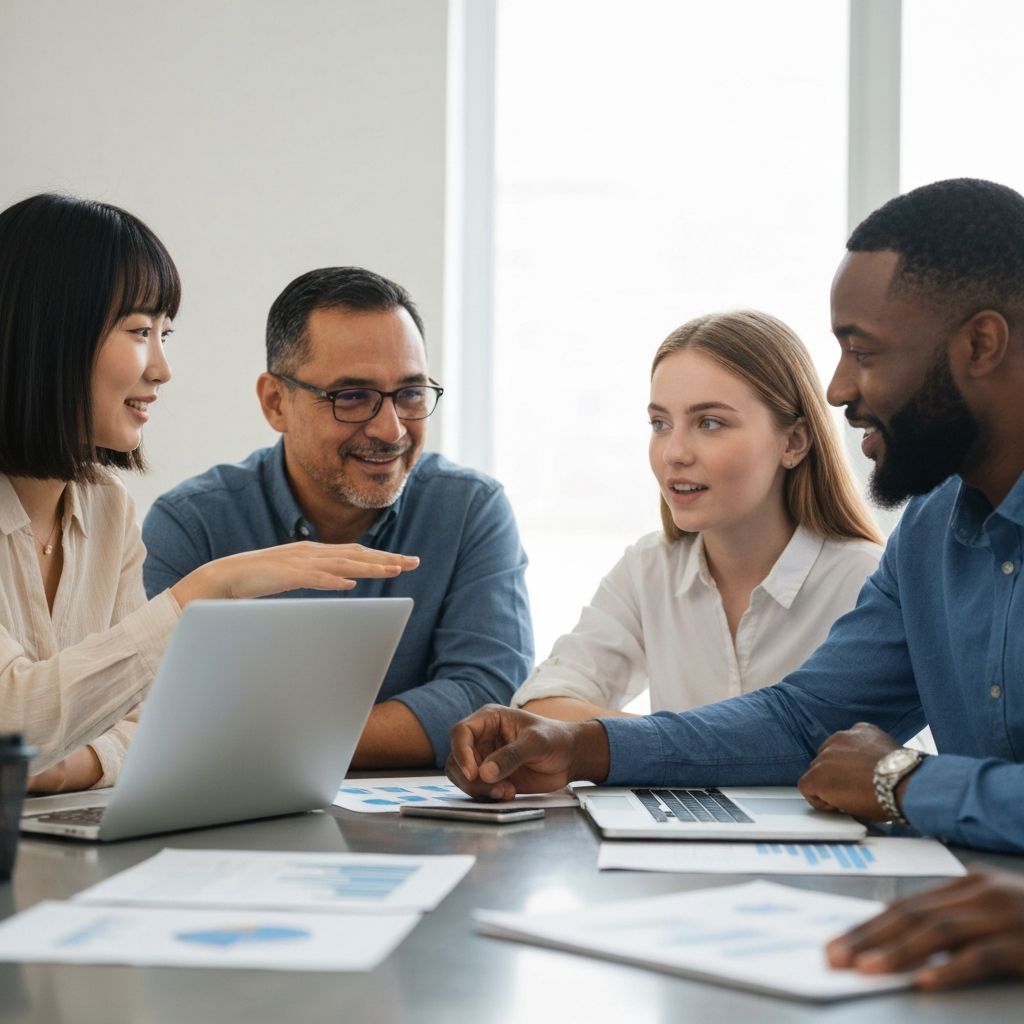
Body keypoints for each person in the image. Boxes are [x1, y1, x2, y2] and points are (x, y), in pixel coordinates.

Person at [446, 177, 1024, 989]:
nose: (838, 390)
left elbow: (887, 773)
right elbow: (801, 722)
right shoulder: (928, 534)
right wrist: (586, 746)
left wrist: (909, 780)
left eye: (864, 351)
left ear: (980, 345)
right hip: (967, 948)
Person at [0, 193, 419, 794]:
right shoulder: (181, 515)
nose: (162, 368)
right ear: (50, 334)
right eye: (141, 331)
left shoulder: (107, 508)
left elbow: (145, 721)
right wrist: (203, 591)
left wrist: (73, 763)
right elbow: (13, 725)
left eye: (165, 333)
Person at [142, 267, 533, 769]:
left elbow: (486, 697)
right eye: (352, 397)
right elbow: (161, 708)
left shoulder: (468, 509)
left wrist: (265, 739)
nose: (391, 429)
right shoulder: (191, 523)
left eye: (410, 394)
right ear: (275, 402)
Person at [512, 310, 881, 723]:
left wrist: (660, 749)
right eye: (660, 423)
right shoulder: (650, 568)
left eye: (710, 422)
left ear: (793, 442)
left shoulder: (866, 582)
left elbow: (886, 755)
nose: (674, 453)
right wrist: (674, 749)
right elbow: (541, 705)